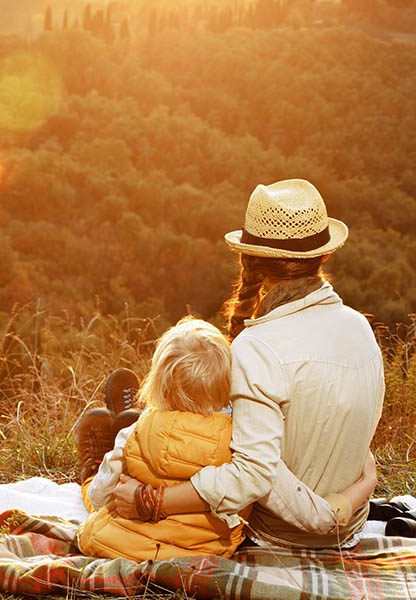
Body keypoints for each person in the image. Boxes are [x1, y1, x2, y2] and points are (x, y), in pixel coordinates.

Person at [105, 178, 385, 549]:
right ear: (324, 255)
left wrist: (149, 501)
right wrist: (364, 485)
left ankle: (131, 428)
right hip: (349, 527)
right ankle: (132, 423)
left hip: (278, 534)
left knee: (186, 427)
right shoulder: (360, 328)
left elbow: (252, 476)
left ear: (249, 258)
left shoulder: (259, 346)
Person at [75, 318, 376, 561]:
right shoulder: (242, 441)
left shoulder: (134, 435)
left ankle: (100, 453)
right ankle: (120, 418)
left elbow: (104, 496)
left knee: (100, 481)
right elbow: (309, 512)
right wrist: (366, 482)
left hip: (121, 544)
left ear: (158, 386)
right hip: (204, 553)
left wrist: (107, 492)